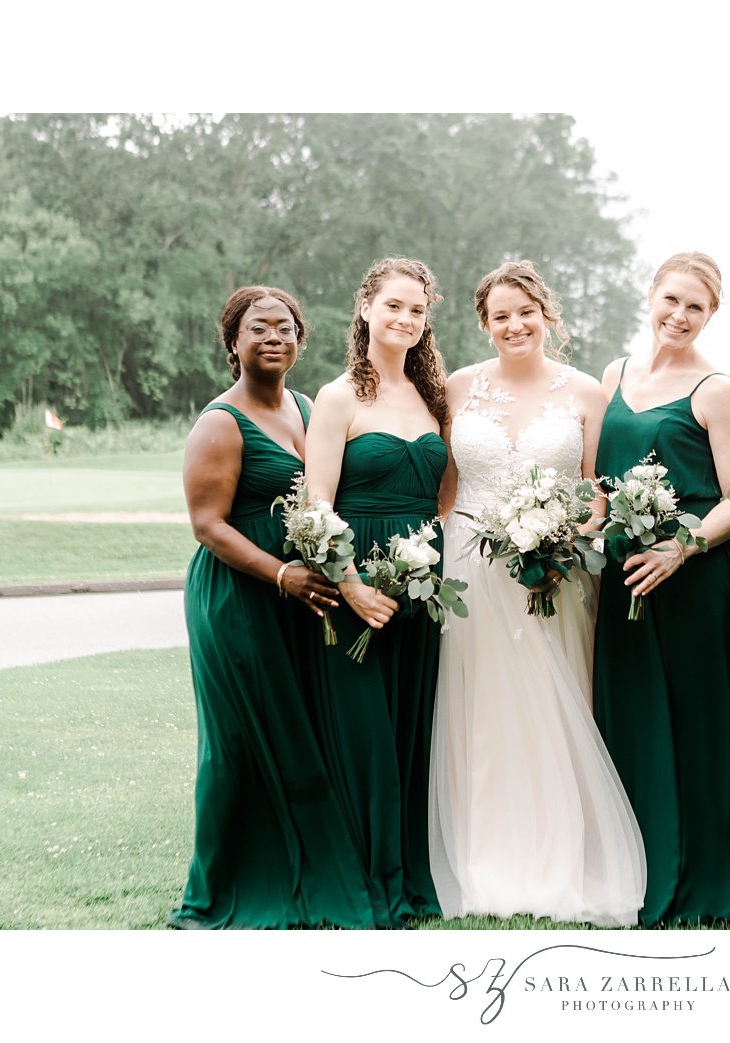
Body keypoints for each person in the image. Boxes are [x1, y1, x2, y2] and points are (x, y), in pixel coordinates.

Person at [429, 260, 646, 926]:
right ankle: (486, 858)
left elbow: (596, 489)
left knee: (556, 707)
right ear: (484, 323)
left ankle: (559, 857)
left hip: (556, 572)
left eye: (525, 311)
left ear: (546, 314)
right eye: (500, 315)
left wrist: (561, 546)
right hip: (469, 570)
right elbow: (442, 486)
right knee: (482, 713)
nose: (514, 324)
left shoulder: (585, 393)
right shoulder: (457, 387)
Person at [169, 285, 375, 929]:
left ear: (300, 339)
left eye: (285, 327)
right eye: (259, 328)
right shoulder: (219, 422)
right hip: (237, 597)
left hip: (297, 597)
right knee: (236, 744)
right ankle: (219, 889)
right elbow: (207, 524)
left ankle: (300, 873)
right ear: (234, 342)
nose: (274, 338)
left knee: (296, 733)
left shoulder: (309, 407)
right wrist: (282, 572)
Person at [591, 252, 730, 925]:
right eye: (669, 300)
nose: (677, 316)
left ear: (710, 315)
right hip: (621, 580)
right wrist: (573, 530)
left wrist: (685, 545)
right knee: (630, 717)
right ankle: (633, 866)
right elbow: (597, 483)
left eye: (694, 307)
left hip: (694, 580)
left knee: (701, 721)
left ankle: (709, 868)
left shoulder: (713, 389)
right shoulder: (613, 374)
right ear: (649, 294)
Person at [302, 257, 450, 926]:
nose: (405, 319)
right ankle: (367, 882)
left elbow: (444, 495)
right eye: (393, 305)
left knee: (410, 728)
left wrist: (431, 559)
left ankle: (411, 879)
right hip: (358, 580)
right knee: (363, 733)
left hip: (422, 580)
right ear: (364, 308)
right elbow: (314, 505)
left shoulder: (433, 397)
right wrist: (353, 584)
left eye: (416, 310)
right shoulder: (337, 397)